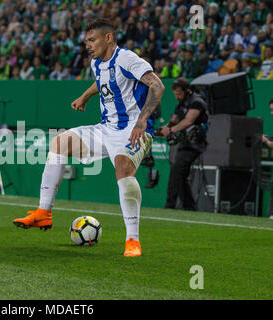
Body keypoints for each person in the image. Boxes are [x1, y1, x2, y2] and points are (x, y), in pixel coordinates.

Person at [13, 19, 165, 257]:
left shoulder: (127, 59)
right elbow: (101, 82)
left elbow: (157, 86)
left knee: (123, 169)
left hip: (133, 129)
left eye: (92, 40)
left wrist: (142, 120)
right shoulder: (97, 63)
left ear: (108, 38)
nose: (88, 46)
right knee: (59, 143)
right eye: (86, 41)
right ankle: (43, 213)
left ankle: (132, 240)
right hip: (106, 128)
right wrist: (85, 96)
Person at [160, 78, 208, 211]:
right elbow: (173, 120)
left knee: (176, 170)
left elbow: (188, 121)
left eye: (179, 93)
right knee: (180, 174)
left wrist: (170, 130)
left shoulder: (197, 102)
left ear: (187, 91)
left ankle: (170, 205)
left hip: (195, 143)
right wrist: (163, 129)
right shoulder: (181, 104)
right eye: (175, 94)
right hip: (185, 142)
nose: (177, 96)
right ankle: (190, 207)